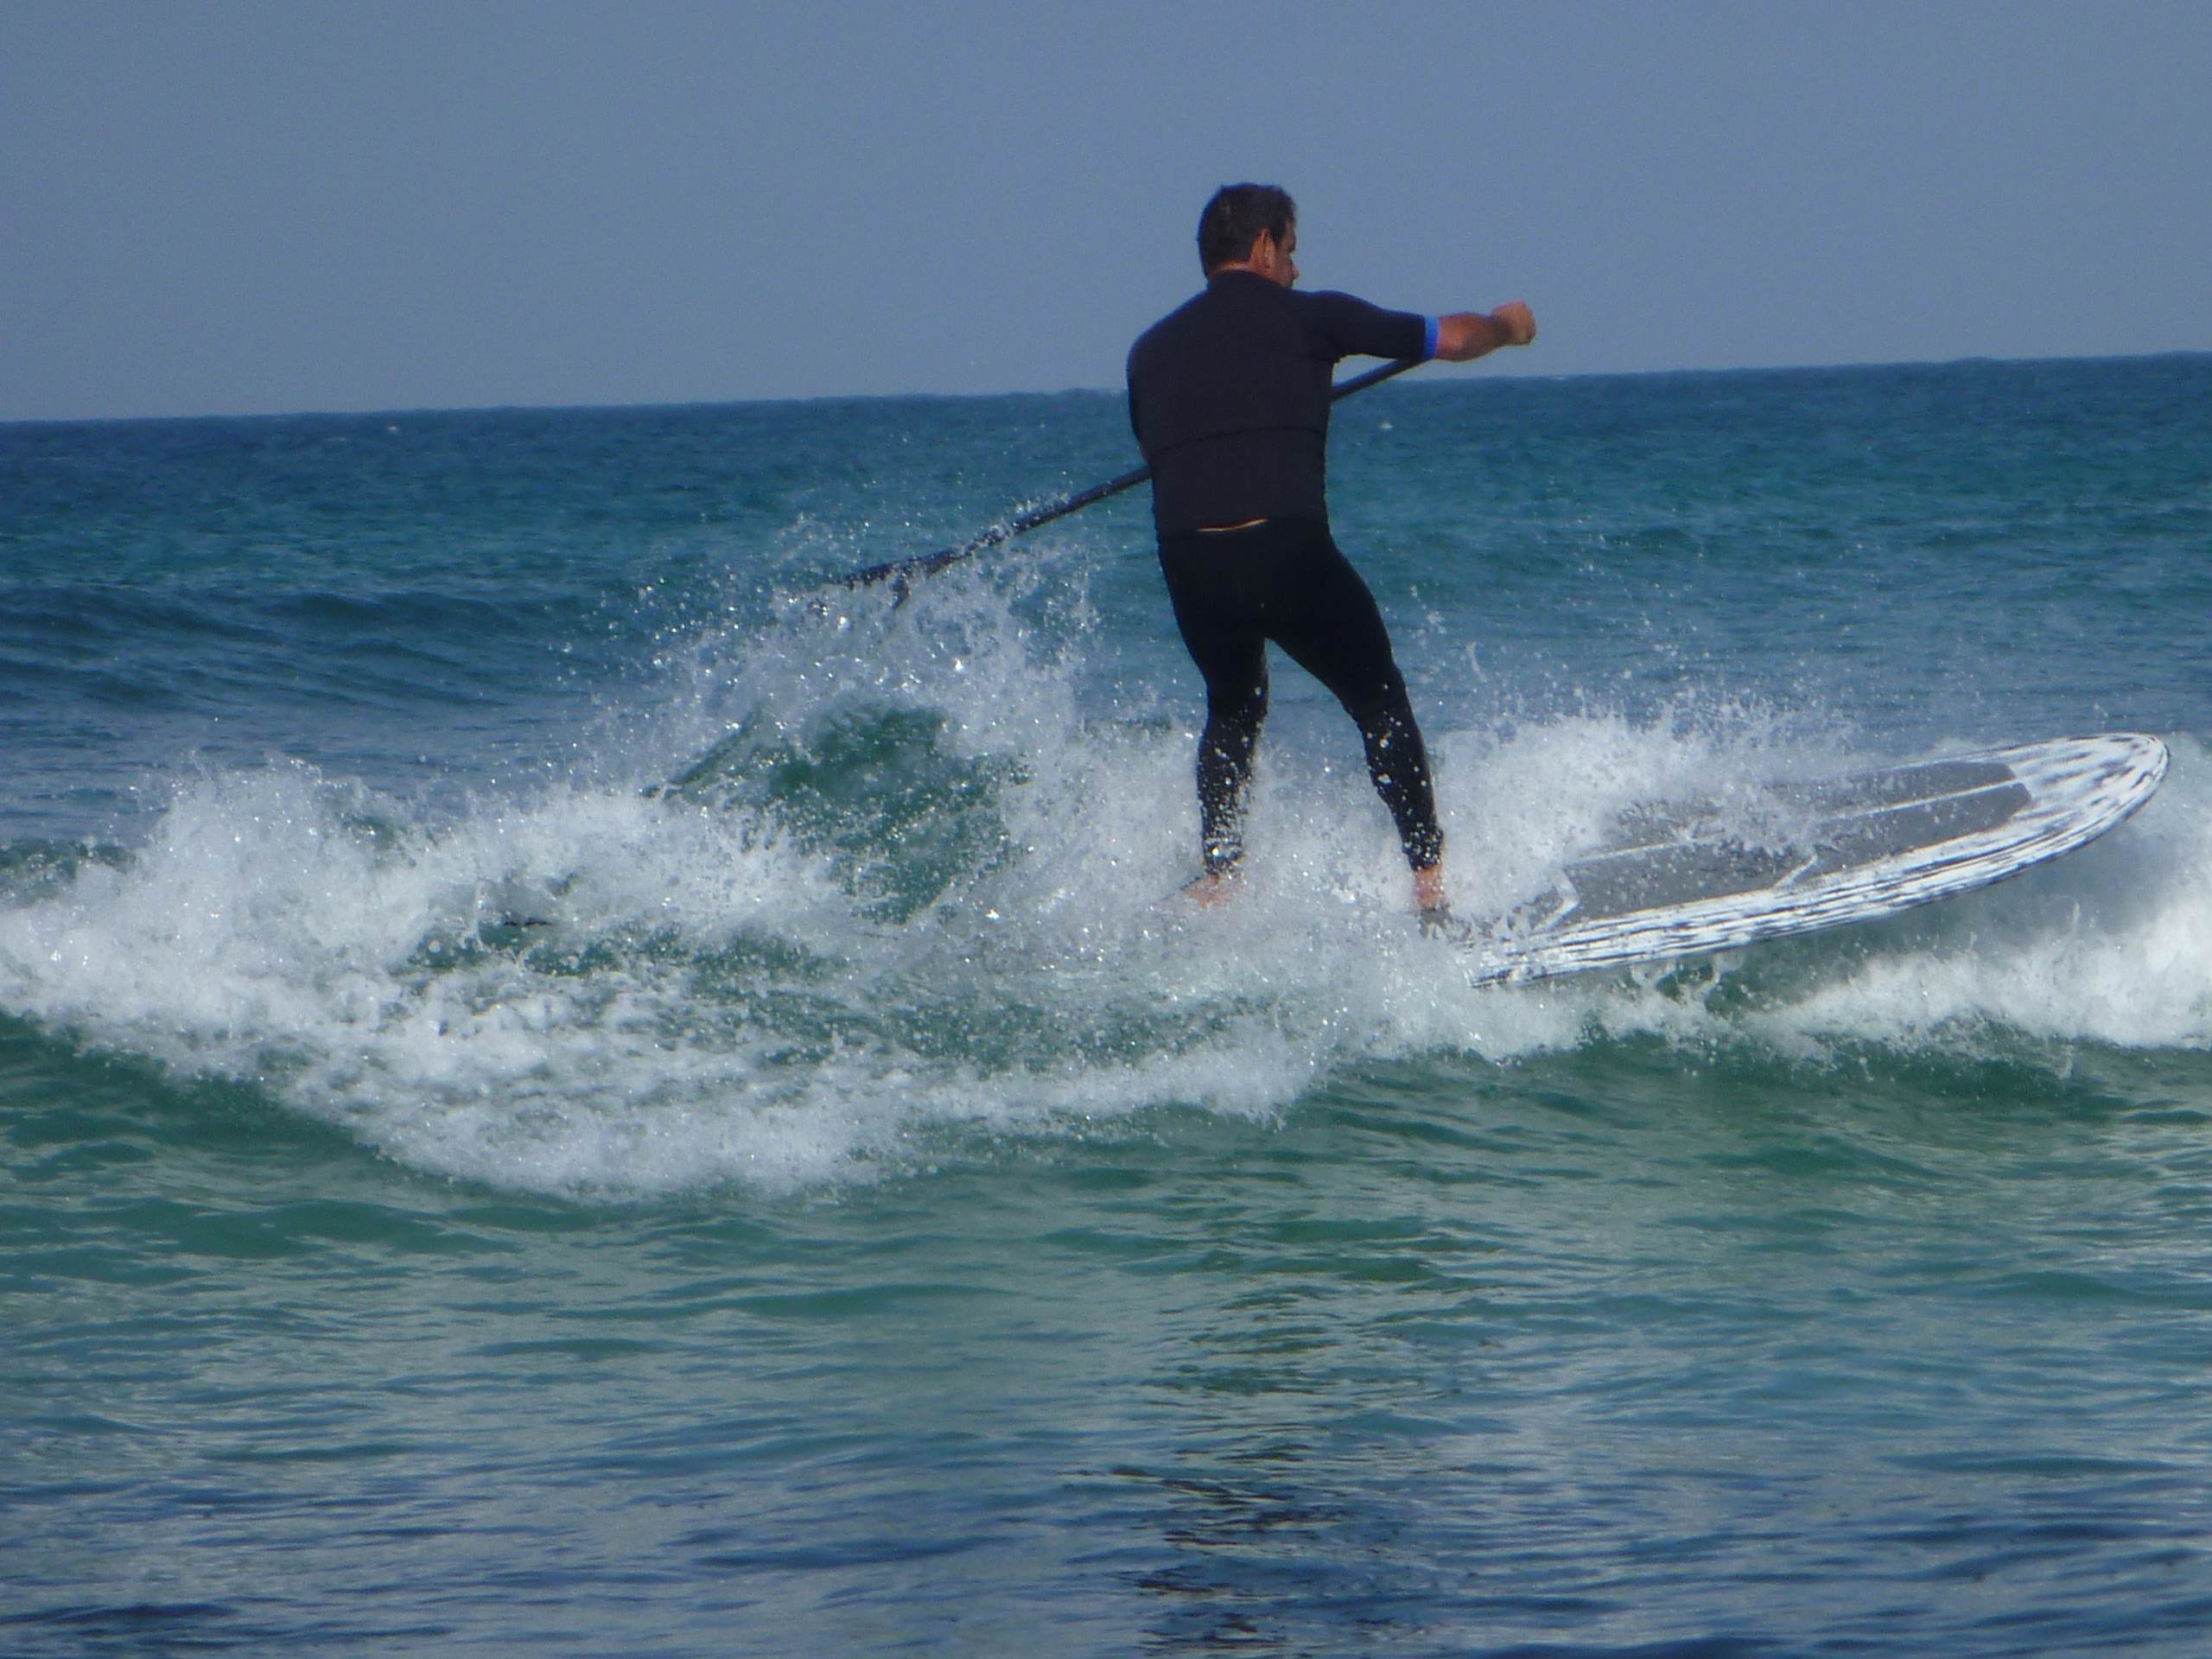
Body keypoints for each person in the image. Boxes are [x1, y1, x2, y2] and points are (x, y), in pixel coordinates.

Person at [1126, 183, 1535, 922]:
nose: (1295, 269)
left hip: (1190, 563)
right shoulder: (1314, 317)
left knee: (1233, 706)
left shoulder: (1148, 352)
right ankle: (1430, 885)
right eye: (1290, 251)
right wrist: (1506, 326)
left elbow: (1167, 453)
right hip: (1284, 550)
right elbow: (1453, 338)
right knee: (1377, 699)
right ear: (1263, 248)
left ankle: (1218, 877)